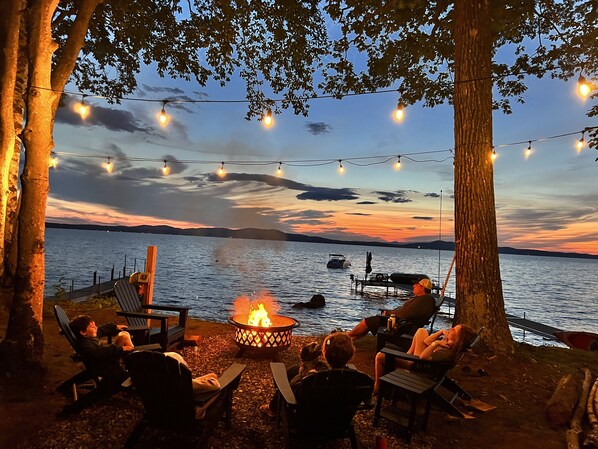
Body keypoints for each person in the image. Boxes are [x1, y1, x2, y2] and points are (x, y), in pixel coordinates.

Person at [259, 332, 355, 417]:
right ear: (351, 353)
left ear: (325, 353)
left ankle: (273, 409)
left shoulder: (314, 378)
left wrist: (285, 386)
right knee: (295, 370)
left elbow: (294, 388)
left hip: (309, 419)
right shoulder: (357, 379)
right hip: (338, 419)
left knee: (287, 380)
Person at [60, 315, 135, 415]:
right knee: (125, 340)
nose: (95, 327)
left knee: (123, 335)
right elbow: (97, 353)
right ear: (83, 332)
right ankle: (134, 360)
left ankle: (131, 356)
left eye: (94, 324)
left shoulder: (88, 337)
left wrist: (114, 327)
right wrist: (121, 349)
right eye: (92, 326)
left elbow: (100, 330)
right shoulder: (85, 344)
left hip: (104, 363)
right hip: (110, 371)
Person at [373, 324, 477, 393]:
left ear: (459, 338)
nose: (450, 329)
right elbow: (427, 342)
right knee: (422, 331)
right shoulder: (449, 344)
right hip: (419, 363)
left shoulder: (447, 352)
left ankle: (377, 387)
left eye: (454, 330)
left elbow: (423, 357)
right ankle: (407, 355)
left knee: (380, 356)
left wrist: (436, 343)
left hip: (417, 367)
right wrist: (440, 332)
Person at [347, 278, 436, 339]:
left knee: (365, 323)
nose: (413, 286)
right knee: (368, 325)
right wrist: (390, 312)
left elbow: (405, 314)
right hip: (398, 321)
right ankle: (350, 340)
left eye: (416, 285)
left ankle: (344, 336)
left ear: (422, 287)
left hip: (399, 325)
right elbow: (406, 312)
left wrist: (389, 314)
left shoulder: (424, 300)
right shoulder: (421, 299)